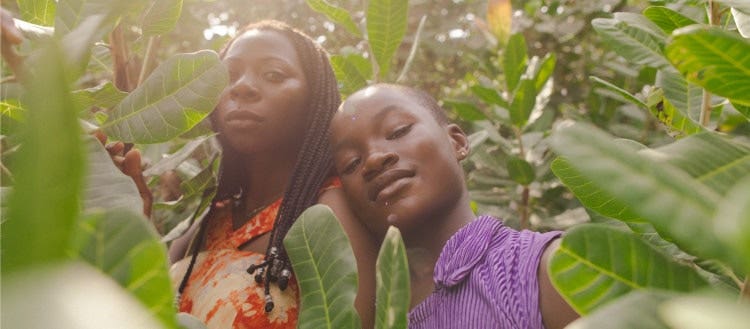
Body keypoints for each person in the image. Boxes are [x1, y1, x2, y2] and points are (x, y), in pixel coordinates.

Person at [166, 20, 377, 329]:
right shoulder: (209, 222)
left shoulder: (328, 213)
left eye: (273, 75)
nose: (242, 87)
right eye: (229, 76)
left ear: (314, 99)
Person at [329, 84, 579, 329]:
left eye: (398, 131)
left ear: (457, 142)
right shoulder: (359, 317)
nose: (373, 159)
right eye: (351, 163)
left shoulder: (549, 270)